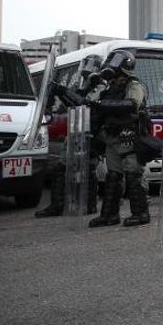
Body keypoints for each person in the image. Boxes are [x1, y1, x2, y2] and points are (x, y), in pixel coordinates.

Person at [35, 55, 106, 218]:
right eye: (86, 65)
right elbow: (73, 101)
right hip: (76, 131)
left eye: (90, 65)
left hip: (93, 134)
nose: (87, 69)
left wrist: (63, 91)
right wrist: (62, 91)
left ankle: (89, 205)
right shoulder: (84, 84)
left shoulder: (103, 87)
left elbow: (86, 104)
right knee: (60, 168)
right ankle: (58, 205)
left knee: (89, 169)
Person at [87, 50, 149, 228]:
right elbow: (93, 103)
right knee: (113, 176)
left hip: (128, 135)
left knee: (133, 174)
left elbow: (132, 104)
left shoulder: (134, 84)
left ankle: (141, 213)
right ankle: (109, 215)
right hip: (111, 137)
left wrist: (101, 104)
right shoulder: (109, 87)